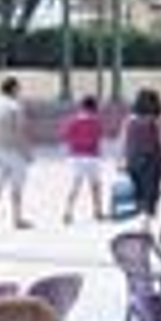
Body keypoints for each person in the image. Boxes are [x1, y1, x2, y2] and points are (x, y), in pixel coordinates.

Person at [0, 76, 32, 233]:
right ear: (14, 89)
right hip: (14, 151)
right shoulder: (15, 106)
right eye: (18, 89)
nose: (20, 92)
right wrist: (26, 151)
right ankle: (17, 219)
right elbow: (20, 131)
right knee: (16, 188)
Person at [120, 87, 161, 231]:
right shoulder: (157, 120)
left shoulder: (129, 119)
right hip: (152, 161)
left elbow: (123, 141)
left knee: (140, 195)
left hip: (133, 160)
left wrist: (122, 160)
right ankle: (144, 227)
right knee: (150, 195)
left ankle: (142, 225)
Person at [60, 94, 104, 224]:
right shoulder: (96, 122)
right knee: (95, 186)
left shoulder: (73, 121)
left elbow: (66, 137)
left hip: (76, 157)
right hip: (92, 156)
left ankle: (68, 212)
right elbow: (98, 138)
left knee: (75, 185)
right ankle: (97, 211)